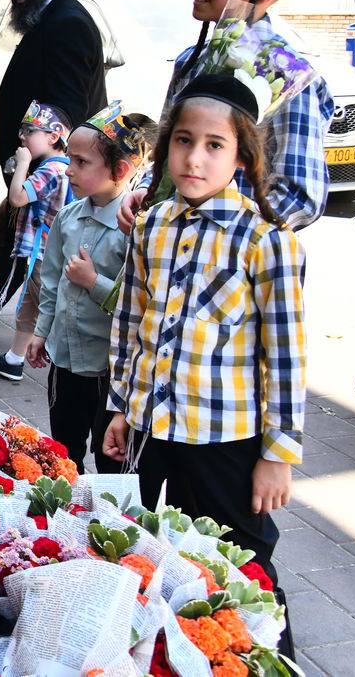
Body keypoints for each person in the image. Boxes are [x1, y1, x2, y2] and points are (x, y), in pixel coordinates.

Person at [103, 74, 304, 625]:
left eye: (215, 145)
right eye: (184, 140)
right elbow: (130, 320)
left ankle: (268, 653)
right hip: (149, 429)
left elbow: (285, 355)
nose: (195, 158)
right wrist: (121, 407)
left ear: (242, 156)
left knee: (243, 565)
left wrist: (278, 455)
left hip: (224, 438)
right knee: (143, 548)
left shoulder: (267, 241)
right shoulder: (150, 226)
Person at [118, 0, 332, 234]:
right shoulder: (190, 61)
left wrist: (215, 238)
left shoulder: (287, 76)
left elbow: (299, 196)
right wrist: (148, 192)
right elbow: (166, 154)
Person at [0, 0, 107, 337]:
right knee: (8, 237)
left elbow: (67, 107)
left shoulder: (68, 22)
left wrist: (35, 161)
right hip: (34, 162)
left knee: (27, 251)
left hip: (47, 169)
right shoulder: (49, 16)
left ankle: (10, 330)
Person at [26, 102, 155, 472]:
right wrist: (41, 331)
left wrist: (93, 282)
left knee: (109, 457)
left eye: (82, 162)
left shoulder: (134, 230)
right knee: (63, 453)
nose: (70, 169)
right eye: (70, 158)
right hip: (64, 360)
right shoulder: (67, 218)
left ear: (120, 170)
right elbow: (51, 282)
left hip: (107, 371)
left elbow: (140, 303)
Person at [0, 101, 72, 382]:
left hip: (43, 254)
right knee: (30, 306)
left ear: (53, 136)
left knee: (45, 306)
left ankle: (61, 360)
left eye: (30, 130)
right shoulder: (59, 167)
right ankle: (14, 360)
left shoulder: (50, 170)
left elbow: (17, 197)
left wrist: (23, 164)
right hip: (43, 254)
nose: (22, 136)